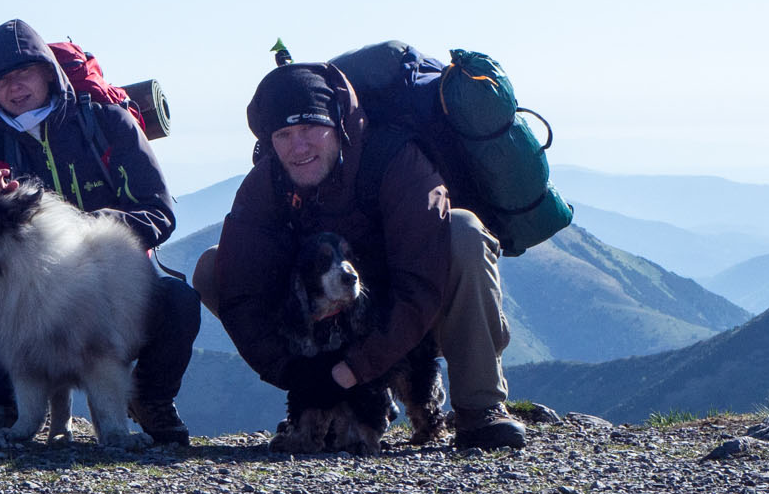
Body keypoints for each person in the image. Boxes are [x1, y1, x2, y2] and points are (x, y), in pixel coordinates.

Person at [195, 61, 527, 450]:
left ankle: (480, 408)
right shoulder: (268, 183)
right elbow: (240, 291)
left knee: (463, 233)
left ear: (337, 124)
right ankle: (332, 413)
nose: (298, 147)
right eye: (284, 134)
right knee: (211, 268)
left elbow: (419, 287)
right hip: (330, 325)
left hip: (418, 316)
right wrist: (299, 376)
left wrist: (354, 371)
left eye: (309, 129)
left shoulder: (396, 162)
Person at [0, 19, 199, 445]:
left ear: (48, 72)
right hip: (32, 299)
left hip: (117, 285)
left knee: (179, 304)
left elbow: (159, 211)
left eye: (24, 74)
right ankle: (48, 418)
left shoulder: (107, 123)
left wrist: (93, 229)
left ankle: (150, 399)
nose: (14, 89)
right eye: (0, 83)